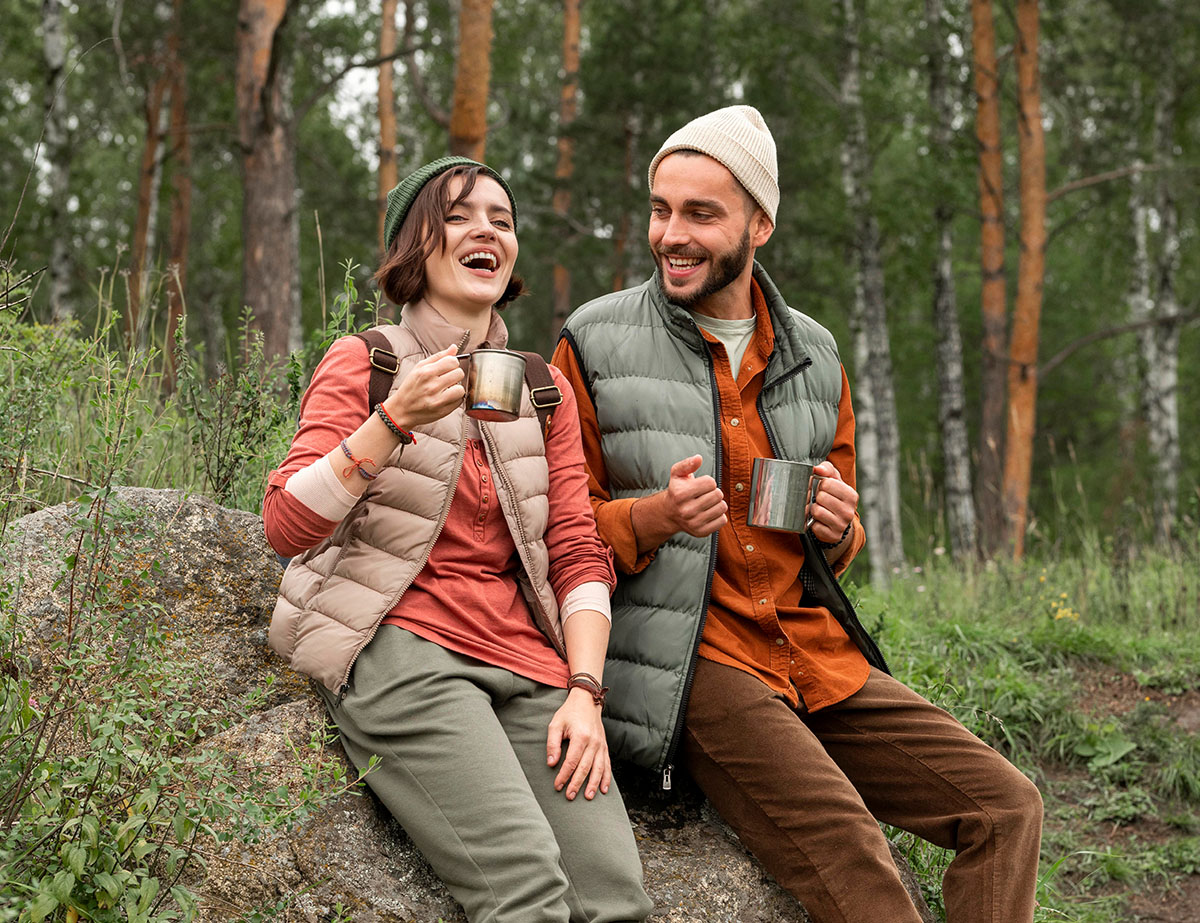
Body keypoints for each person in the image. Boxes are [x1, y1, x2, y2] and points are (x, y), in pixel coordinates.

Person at [551, 107, 1043, 923]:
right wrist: (657, 515)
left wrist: (838, 524)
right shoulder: (594, 340)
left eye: (701, 214)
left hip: (810, 651)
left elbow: (835, 544)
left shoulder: (814, 353)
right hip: (691, 663)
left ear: (760, 225)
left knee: (1007, 806)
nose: (671, 233)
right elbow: (560, 536)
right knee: (858, 855)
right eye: (660, 208)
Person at [263, 156, 653, 923]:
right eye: (461, 215)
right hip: (403, 647)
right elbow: (285, 522)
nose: (487, 231)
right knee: (527, 894)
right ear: (416, 245)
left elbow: (577, 548)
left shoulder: (543, 387)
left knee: (616, 900)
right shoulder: (366, 361)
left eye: (502, 221)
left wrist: (584, 688)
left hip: (531, 666)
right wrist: (391, 420)